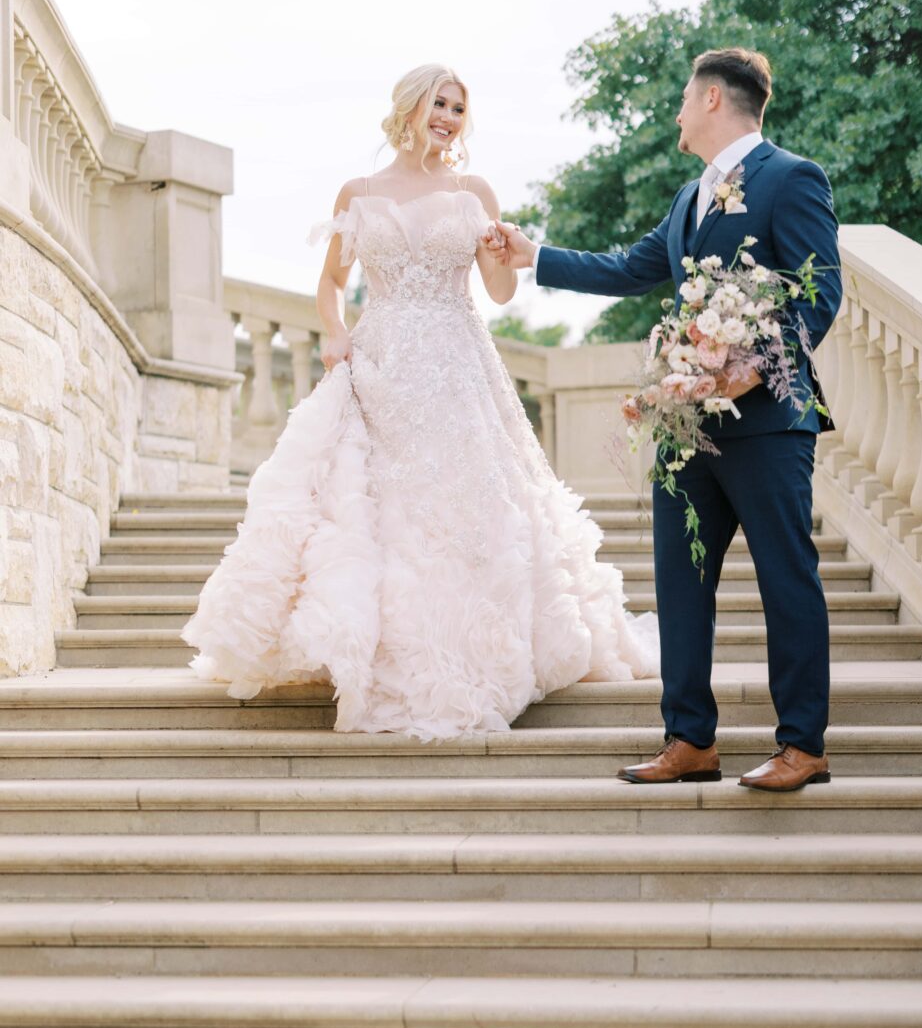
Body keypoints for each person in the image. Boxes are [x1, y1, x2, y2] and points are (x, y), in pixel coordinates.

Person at [182, 64, 658, 738]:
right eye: (439, 103)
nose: (448, 117)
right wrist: (337, 334)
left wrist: (500, 252)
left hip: (456, 367)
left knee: (466, 508)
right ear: (410, 106)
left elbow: (498, 293)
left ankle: (477, 650)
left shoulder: (472, 191)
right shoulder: (359, 190)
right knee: (374, 509)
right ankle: (372, 644)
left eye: (459, 109)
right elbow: (331, 282)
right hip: (378, 362)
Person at [487, 48, 843, 791]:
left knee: (787, 580)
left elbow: (818, 294)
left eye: (684, 97)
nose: (677, 111)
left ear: (712, 98)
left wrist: (747, 366)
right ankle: (689, 740)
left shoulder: (791, 177)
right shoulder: (688, 199)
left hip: (770, 423)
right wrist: (533, 256)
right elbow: (627, 266)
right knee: (680, 585)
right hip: (687, 430)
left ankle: (801, 745)